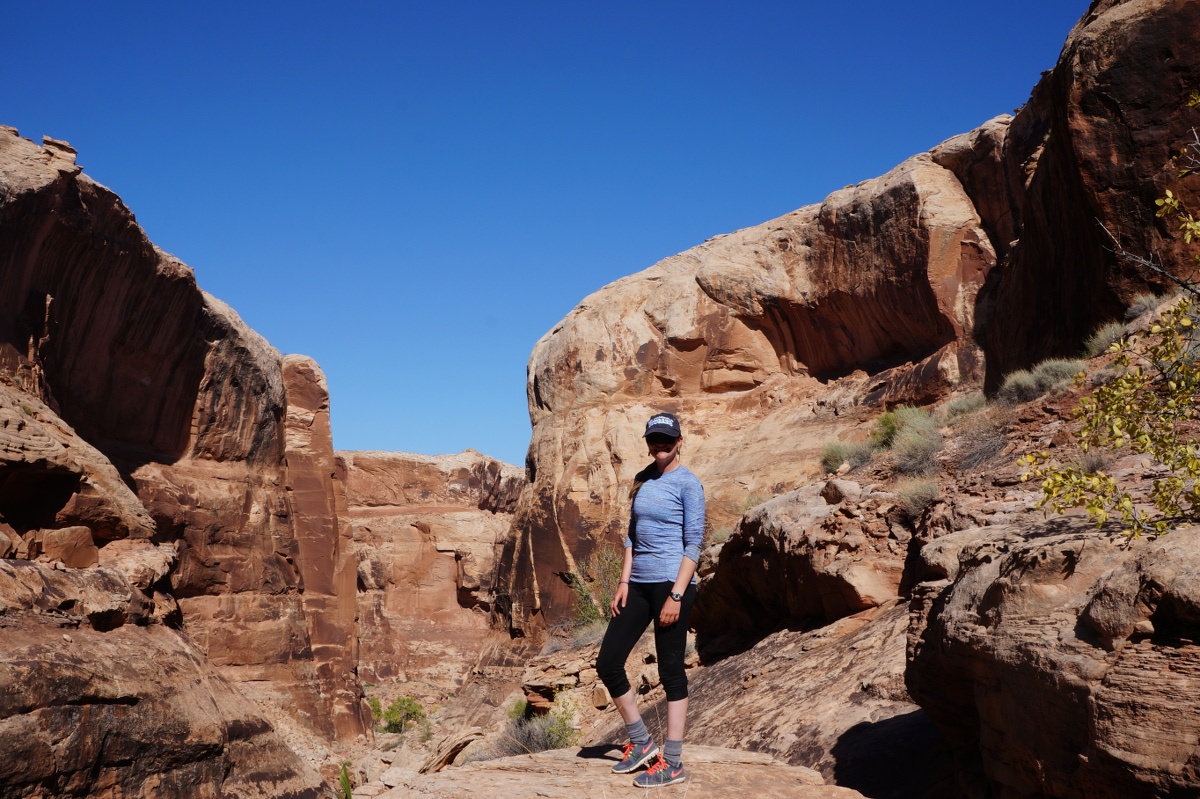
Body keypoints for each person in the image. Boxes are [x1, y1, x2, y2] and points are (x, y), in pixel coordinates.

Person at [595, 411, 705, 787]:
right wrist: (623, 581)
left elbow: (694, 545)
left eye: (666, 440)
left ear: (679, 441)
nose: (659, 446)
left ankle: (672, 762)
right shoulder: (642, 480)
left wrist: (676, 594)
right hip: (638, 585)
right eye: (653, 440)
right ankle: (642, 743)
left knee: (671, 671)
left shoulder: (688, 484)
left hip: (672, 584)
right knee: (608, 663)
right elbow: (631, 536)